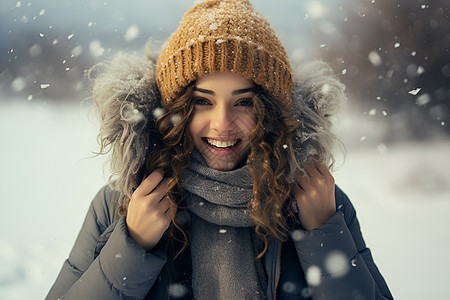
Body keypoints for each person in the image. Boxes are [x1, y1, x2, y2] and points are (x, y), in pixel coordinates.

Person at [46, 0, 393, 299]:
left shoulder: (317, 201)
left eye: (243, 102)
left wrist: (324, 234)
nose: (222, 123)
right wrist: (131, 244)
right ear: (174, 110)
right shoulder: (120, 203)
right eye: (202, 102)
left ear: (271, 111)